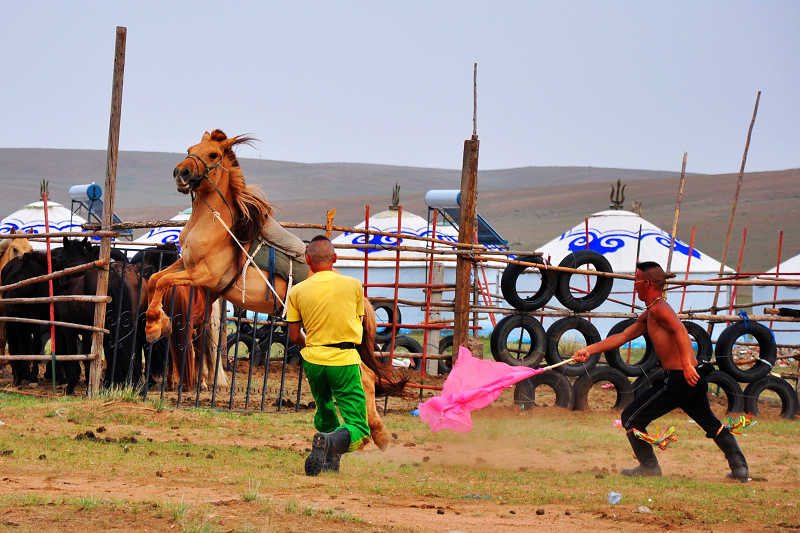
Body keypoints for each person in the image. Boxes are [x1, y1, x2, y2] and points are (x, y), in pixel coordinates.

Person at [573, 261, 749, 482]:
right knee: (710, 422)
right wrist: (589, 350)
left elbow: (681, 331)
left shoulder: (660, 309)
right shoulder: (651, 312)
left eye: (636, 281)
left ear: (647, 283)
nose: (634, 286)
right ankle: (740, 468)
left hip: (681, 379)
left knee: (631, 418)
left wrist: (686, 365)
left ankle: (649, 467)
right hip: (690, 379)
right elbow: (624, 336)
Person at [286, 235, 371, 476]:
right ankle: (331, 443)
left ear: (307, 260)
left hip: (314, 360)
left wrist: (311, 348)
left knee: (324, 407)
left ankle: (329, 462)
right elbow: (359, 323)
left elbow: (294, 335)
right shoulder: (353, 286)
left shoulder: (298, 291)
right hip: (343, 359)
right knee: (358, 427)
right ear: (335, 258)